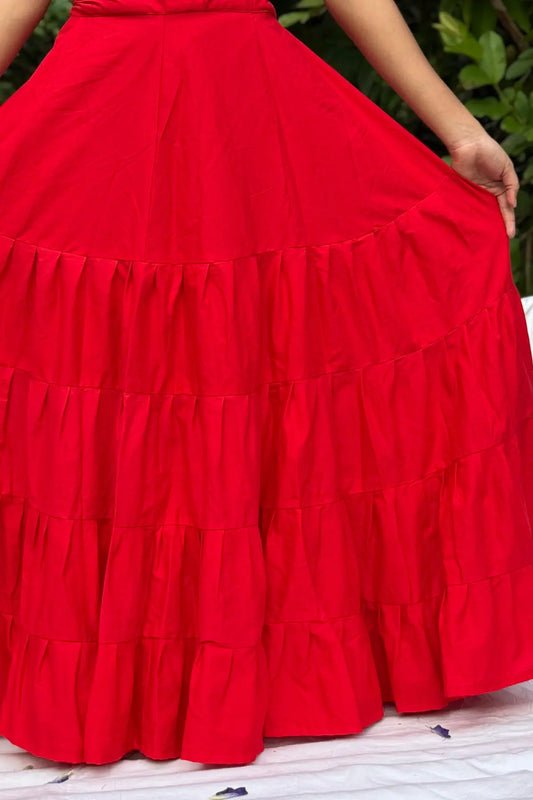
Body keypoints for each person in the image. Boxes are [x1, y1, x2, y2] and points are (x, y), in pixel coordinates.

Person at [0, 0, 531, 768]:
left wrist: (460, 133)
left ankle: (150, 677)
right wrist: (458, 130)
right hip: (154, 119)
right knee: (183, 366)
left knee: (209, 368)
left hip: (220, 117)